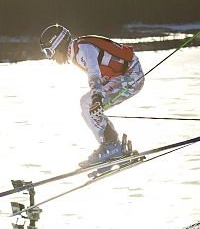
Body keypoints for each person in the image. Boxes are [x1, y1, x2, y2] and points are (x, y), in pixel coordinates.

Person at [39, 24, 145, 166]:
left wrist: (97, 98)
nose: (51, 58)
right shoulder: (77, 51)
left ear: (58, 45)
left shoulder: (83, 49)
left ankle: (112, 147)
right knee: (87, 107)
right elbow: (103, 72)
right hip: (124, 76)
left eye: (48, 52)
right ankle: (112, 145)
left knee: (88, 103)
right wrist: (98, 96)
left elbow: (94, 74)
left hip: (131, 76)